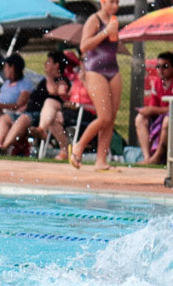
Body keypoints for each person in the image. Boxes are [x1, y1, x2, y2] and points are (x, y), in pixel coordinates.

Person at [0, 50, 70, 157]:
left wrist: (50, 77)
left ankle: (4, 147)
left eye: (49, 62)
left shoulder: (61, 80)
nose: (45, 64)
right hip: (28, 112)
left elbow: (54, 92)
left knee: (23, 119)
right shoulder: (44, 81)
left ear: (56, 65)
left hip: (41, 116)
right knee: (5, 118)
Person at [71, 0, 121, 170]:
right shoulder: (94, 20)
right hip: (96, 70)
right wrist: (105, 32)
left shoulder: (114, 20)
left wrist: (112, 33)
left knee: (111, 118)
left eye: (118, 2)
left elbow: (112, 45)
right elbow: (84, 46)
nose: (115, 6)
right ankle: (79, 146)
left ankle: (101, 160)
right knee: (104, 117)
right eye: (112, 2)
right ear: (102, 2)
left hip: (113, 69)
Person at [135, 51, 173, 166]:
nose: (161, 70)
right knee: (140, 118)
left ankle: (158, 157)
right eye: (158, 66)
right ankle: (148, 156)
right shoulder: (158, 82)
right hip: (165, 116)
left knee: (168, 119)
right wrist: (149, 111)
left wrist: (152, 110)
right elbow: (154, 105)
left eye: (165, 67)